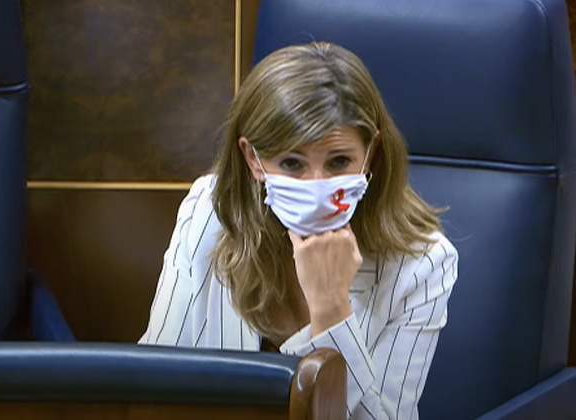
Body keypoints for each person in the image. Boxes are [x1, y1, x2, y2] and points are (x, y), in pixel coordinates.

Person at [138, 42, 458, 419]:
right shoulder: (209, 210)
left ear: (369, 155)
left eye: (339, 161)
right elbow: (155, 383)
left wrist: (331, 308)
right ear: (253, 159)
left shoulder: (423, 263)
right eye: (292, 163)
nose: (316, 186)